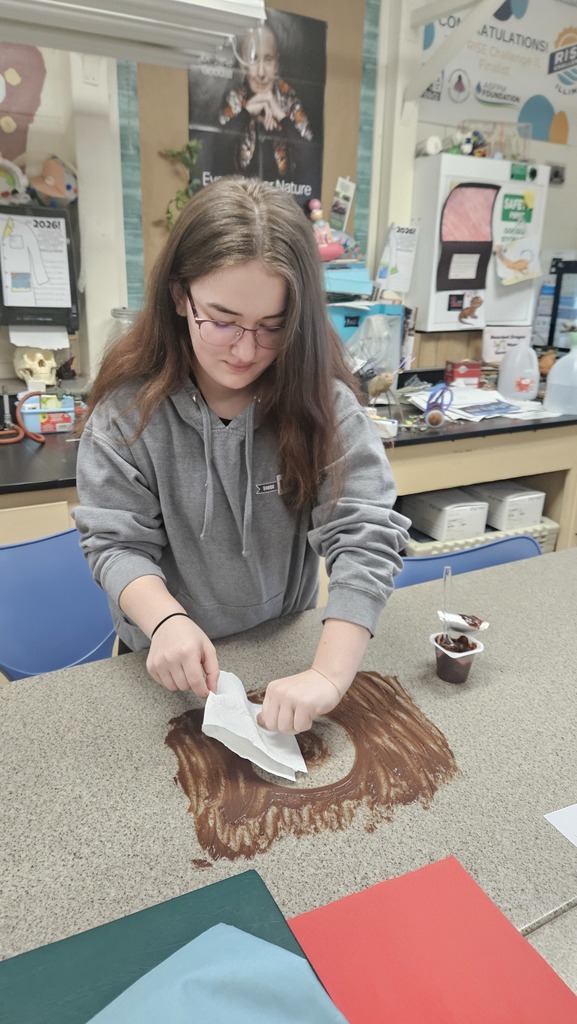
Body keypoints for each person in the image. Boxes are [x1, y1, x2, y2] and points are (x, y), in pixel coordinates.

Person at [73, 177, 410, 735]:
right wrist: (166, 621)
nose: (246, 350)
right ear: (180, 297)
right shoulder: (126, 416)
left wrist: (328, 674)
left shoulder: (322, 405)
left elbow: (365, 533)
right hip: (163, 659)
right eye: (222, 320)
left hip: (284, 648)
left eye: (273, 327)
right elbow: (116, 543)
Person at [217, 24, 313, 182]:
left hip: (281, 194)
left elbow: (310, 159)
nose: (261, 72)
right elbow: (215, 150)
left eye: (268, 59)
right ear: (243, 66)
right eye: (253, 59)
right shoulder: (234, 100)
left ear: (276, 65)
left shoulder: (290, 101)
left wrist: (281, 116)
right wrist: (246, 113)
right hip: (242, 194)